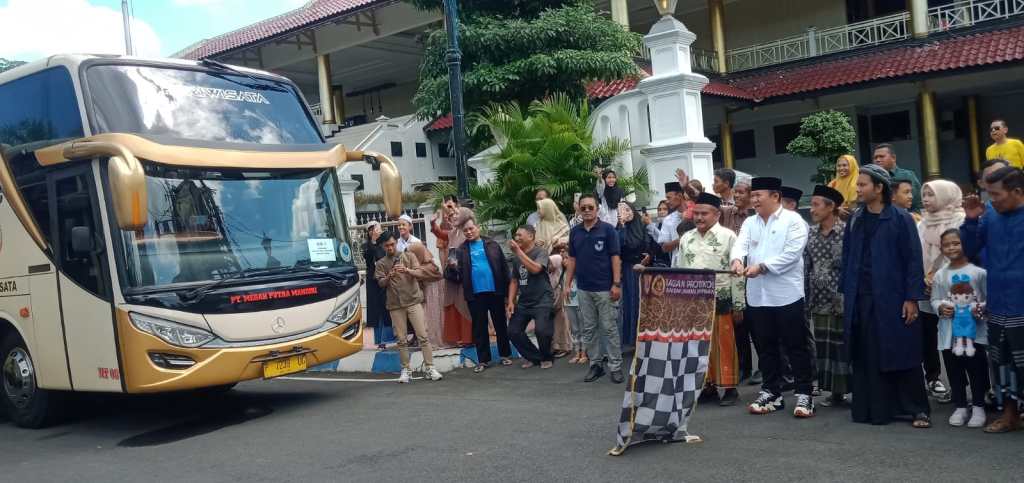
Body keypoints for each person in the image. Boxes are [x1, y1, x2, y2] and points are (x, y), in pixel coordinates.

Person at [841, 164, 930, 427]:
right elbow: (847, 258)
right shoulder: (856, 219)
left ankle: (917, 409)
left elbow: (914, 260)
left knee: (901, 351)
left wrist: (912, 297)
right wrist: (847, 294)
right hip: (861, 298)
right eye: (858, 185)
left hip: (893, 297)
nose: (857, 189)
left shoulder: (901, 218)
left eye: (863, 185)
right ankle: (874, 409)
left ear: (879, 189)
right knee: (867, 353)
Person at [730, 177, 815, 417]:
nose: (753, 200)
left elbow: (792, 254)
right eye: (752, 195)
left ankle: (804, 394)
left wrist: (762, 267)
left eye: (759, 196)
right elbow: (740, 245)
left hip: (787, 294)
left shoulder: (794, 221)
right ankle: (771, 392)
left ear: (775, 197)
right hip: (758, 296)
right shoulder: (750, 223)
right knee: (765, 347)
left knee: (795, 346)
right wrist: (737, 260)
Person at [961, 166, 1024, 433]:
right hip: (998, 301)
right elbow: (969, 249)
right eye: (988, 194)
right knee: (1002, 362)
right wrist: (972, 220)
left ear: (1017, 192)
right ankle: (1010, 416)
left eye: (996, 195)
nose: (991, 200)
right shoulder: (989, 218)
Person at [675, 192, 746, 406]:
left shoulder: (729, 237)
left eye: (704, 213)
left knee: (723, 344)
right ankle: (708, 386)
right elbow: (680, 270)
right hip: (694, 301)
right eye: (696, 213)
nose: (698, 218)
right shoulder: (687, 238)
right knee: (699, 346)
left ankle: (730, 388)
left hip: (721, 298)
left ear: (716, 214)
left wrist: (739, 305)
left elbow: (737, 273)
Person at [931, 229, 990, 428]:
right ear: (942, 249)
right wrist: (941, 307)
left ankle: (979, 405)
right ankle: (960, 405)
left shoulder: (979, 272)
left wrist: (978, 308)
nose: (952, 247)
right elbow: (935, 298)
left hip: (974, 333)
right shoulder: (940, 274)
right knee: (954, 369)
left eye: (956, 243)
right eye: (947, 245)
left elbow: (989, 298)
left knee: (976, 369)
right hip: (949, 332)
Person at [563, 193, 624, 384]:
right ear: (579, 210)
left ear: (597, 209)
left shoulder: (607, 230)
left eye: (591, 207)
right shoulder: (575, 232)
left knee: (609, 328)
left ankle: (615, 366)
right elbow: (572, 259)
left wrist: (616, 284)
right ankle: (595, 365)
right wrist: (567, 284)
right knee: (589, 329)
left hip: (605, 288)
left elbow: (615, 257)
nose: (587, 211)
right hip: (583, 288)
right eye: (584, 208)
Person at [374, 232, 444, 383]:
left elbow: (419, 272)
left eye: (392, 244)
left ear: (396, 243)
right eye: (387, 246)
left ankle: (430, 367)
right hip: (395, 305)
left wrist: (407, 270)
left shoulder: (409, 256)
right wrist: (389, 275)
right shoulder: (380, 263)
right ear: (382, 246)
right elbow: (380, 283)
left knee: (423, 336)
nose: (390, 247)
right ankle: (406, 369)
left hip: (413, 301)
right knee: (401, 339)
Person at [918, 180, 965, 403]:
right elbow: (918, 255)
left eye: (931, 195)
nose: (926, 199)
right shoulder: (923, 223)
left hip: (959, 289)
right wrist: (924, 279)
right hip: (929, 289)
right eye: (924, 194)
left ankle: (976, 389)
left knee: (964, 340)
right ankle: (953, 387)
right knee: (939, 339)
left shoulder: (960, 220)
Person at [804, 185, 850, 407]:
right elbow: (806, 267)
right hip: (818, 298)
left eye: (816, 204)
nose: (812, 209)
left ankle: (855, 389)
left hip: (843, 298)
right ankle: (835, 392)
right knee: (824, 345)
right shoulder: (810, 233)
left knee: (844, 345)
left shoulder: (847, 231)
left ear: (831, 207)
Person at [453, 218, 514, 373]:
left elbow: (504, 268)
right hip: (474, 294)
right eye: (465, 230)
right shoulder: (460, 250)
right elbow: (454, 276)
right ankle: (483, 360)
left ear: (478, 228)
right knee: (479, 328)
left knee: (500, 324)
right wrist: (452, 268)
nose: (469, 232)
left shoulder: (492, 244)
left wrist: (508, 293)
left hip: (495, 291)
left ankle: (505, 355)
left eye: (471, 229)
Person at [506, 225, 556, 369]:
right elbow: (514, 280)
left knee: (542, 330)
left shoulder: (541, 252)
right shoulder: (516, 258)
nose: (517, 238)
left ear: (531, 236)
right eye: (515, 235)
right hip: (524, 301)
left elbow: (536, 269)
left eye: (520, 235)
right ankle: (535, 357)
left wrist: (518, 252)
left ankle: (546, 357)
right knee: (513, 331)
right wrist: (510, 301)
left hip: (542, 299)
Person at [617, 201, 650, 352]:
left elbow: (646, 243)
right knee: (630, 304)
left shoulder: (641, 225)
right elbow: (621, 245)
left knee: (642, 303)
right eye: (621, 210)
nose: (624, 213)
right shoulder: (619, 228)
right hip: (628, 269)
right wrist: (622, 225)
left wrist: (649, 255)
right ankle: (632, 340)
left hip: (643, 269)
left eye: (627, 209)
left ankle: (645, 339)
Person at [441, 208, 477, 347]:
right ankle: (457, 338)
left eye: (457, 214)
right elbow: (450, 249)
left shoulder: (467, 232)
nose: (454, 217)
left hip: (463, 277)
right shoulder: (453, 233)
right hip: (452, 274)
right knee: (452, 305)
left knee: (464, 307)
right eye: (453, 214)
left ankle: (468, 338)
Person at [363, 221, 396, 350]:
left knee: (386, 308)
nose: (373, 231)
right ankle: (379, 340)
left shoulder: (385, 244)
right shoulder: (366, 245)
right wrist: (373, 242)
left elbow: (383, 256)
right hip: (373, 282)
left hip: (385, 279)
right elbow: (369, 256)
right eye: (370, 229)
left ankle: (387, 338)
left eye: (375, 228)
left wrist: (378, 243)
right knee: (376, 311)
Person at [406, 242, 445, 348]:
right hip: (428, 293)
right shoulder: (421, 264)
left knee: (433, 317)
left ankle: (433, 341)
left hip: (435, 293)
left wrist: (408, 271)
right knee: (428, 318)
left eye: (412, 254)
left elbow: (421, 273)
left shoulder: (432, 264)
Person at [873, 143, 922, 212]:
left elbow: (918, 202)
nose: (877, 160)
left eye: (881, 156)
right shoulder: (873, 178)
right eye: (875, 157)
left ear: (893, 158)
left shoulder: (907, 176)